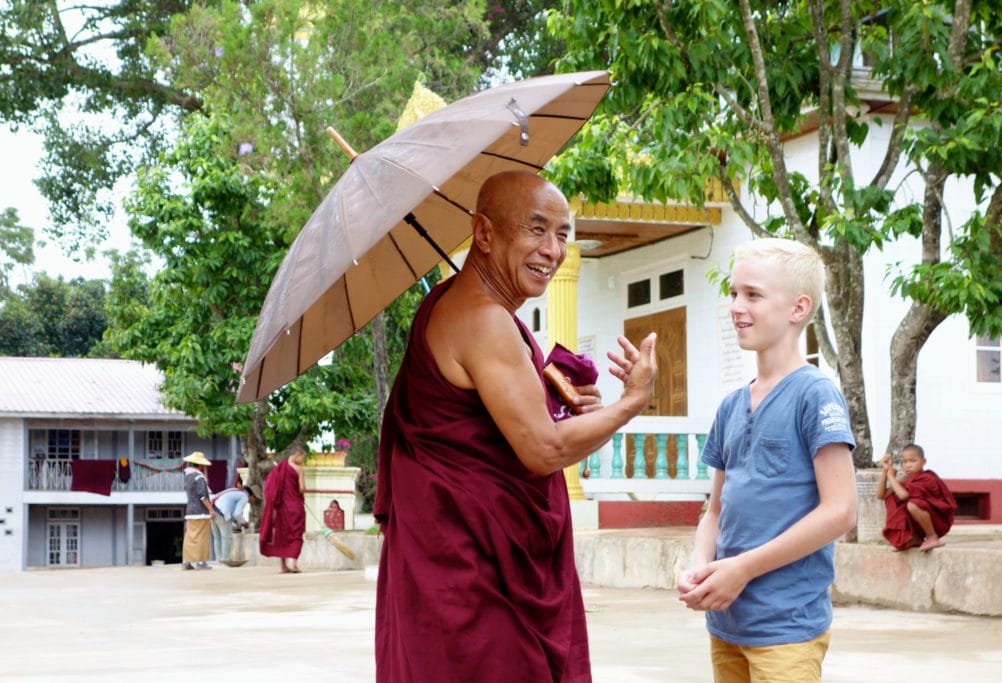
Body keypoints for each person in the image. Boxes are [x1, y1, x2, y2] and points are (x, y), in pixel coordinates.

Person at [373, 170, 657, 682]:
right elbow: (542, 451)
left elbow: (495, 420)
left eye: (563, 234)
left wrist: (555, 403)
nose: (553, 250)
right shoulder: (482, 317)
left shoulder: (456, 305)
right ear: (484, 234)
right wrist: (632, 402)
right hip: (475, 569)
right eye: (536, 230)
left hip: (459, 557)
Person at [677, 238, 857, 682]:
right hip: (727, 624)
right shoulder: (731, 406)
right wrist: (701, 565)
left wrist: (743, 568)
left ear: (798, 308)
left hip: (787, 629)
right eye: (734, 293)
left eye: (753, 295)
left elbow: (841, 511)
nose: (737, 306)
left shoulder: (814, 395)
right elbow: (715, 509)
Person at [877, 444, 957, 552]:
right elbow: (881, 496)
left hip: (938, 522)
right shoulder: (906, 478)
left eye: (912, 461)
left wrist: (891, 476)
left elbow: (904, 496)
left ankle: (932, 537)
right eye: (904, 461)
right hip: (920, 525)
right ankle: (916, 539)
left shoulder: (928, 477)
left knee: (912, 504)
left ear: (923, 461)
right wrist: (885, 471)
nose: (908, 465)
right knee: (893, 500)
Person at [259, 444, 307, 573]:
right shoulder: (298, 469)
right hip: (295, 506)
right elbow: (301, 488)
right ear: (297, 455)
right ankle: (293, 564)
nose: (302, 461)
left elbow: (270, 487)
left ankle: (283, 566)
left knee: (282, 536)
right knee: (296, 535)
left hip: (281, 509)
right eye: (302, 458)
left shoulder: (279, 468)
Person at [182, 451, 216, 571]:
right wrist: (211, 510)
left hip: (190, 511)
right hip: (200, 512)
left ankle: (187, 562)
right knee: (202, 537)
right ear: (200, 465)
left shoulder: (187, 476)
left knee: (190, 537)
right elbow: (203, 496)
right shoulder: (199, 477)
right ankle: (201, 562)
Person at [211, 484, 258, 563]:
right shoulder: (244, 496)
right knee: (226, 537)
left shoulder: (235, 492)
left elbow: (233, 511)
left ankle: (218, 560)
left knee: (217, 537)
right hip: (222, 513)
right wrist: (244, 523)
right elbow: (237, 514)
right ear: (251, 495)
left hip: (213, 510)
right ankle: (225, 559)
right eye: (254, 499)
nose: (253, 502)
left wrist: (236, 521)